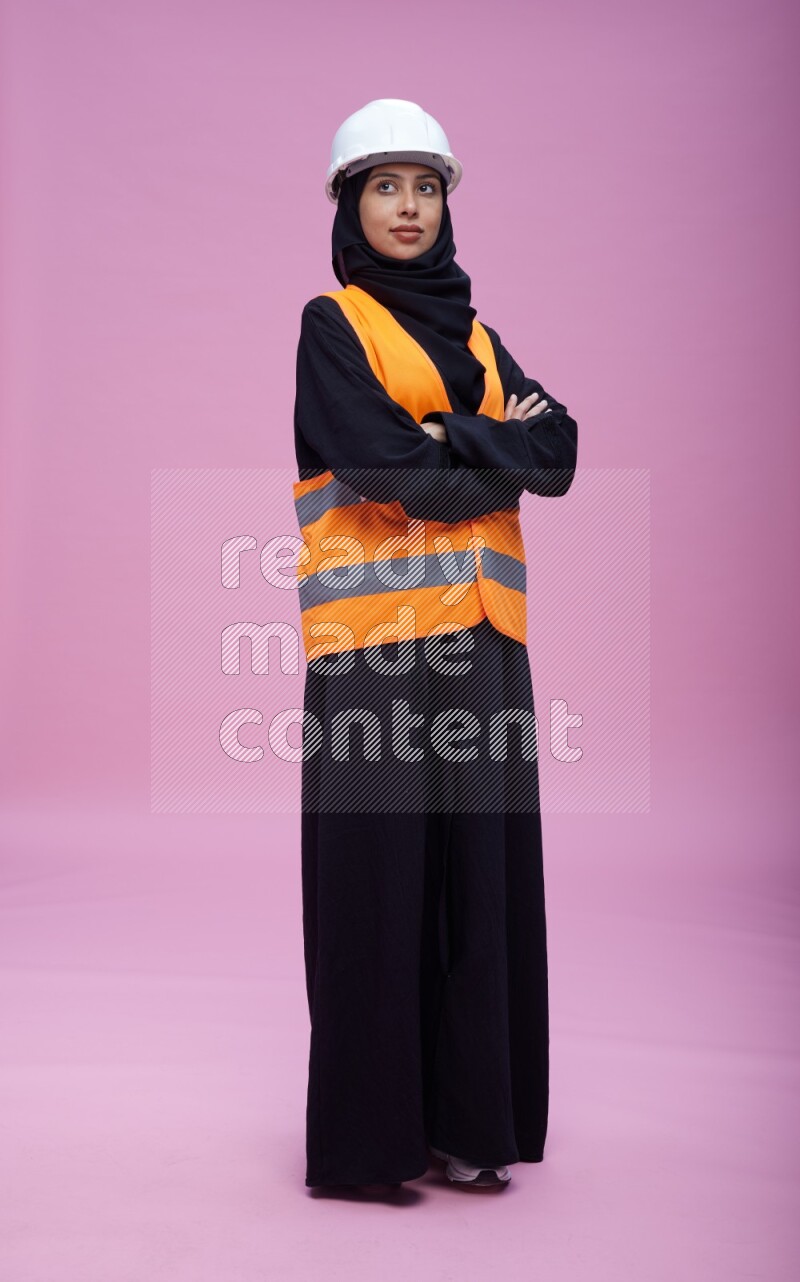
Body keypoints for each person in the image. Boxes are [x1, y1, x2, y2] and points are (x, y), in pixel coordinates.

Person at [292, 98, 578, 1192]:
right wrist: (489, 453)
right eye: (384, 186)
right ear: (349, 205)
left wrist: (447, 435)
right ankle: (375, 1145)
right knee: (376, 885)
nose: (407, 207)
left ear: (445, 203)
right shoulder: (334, 325)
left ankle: (469, 1128)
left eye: (424, 186)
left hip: (484, 646)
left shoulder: (481, 339)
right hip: (373, 650)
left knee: (480, 883)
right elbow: (381, 469)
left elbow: (559, 451)